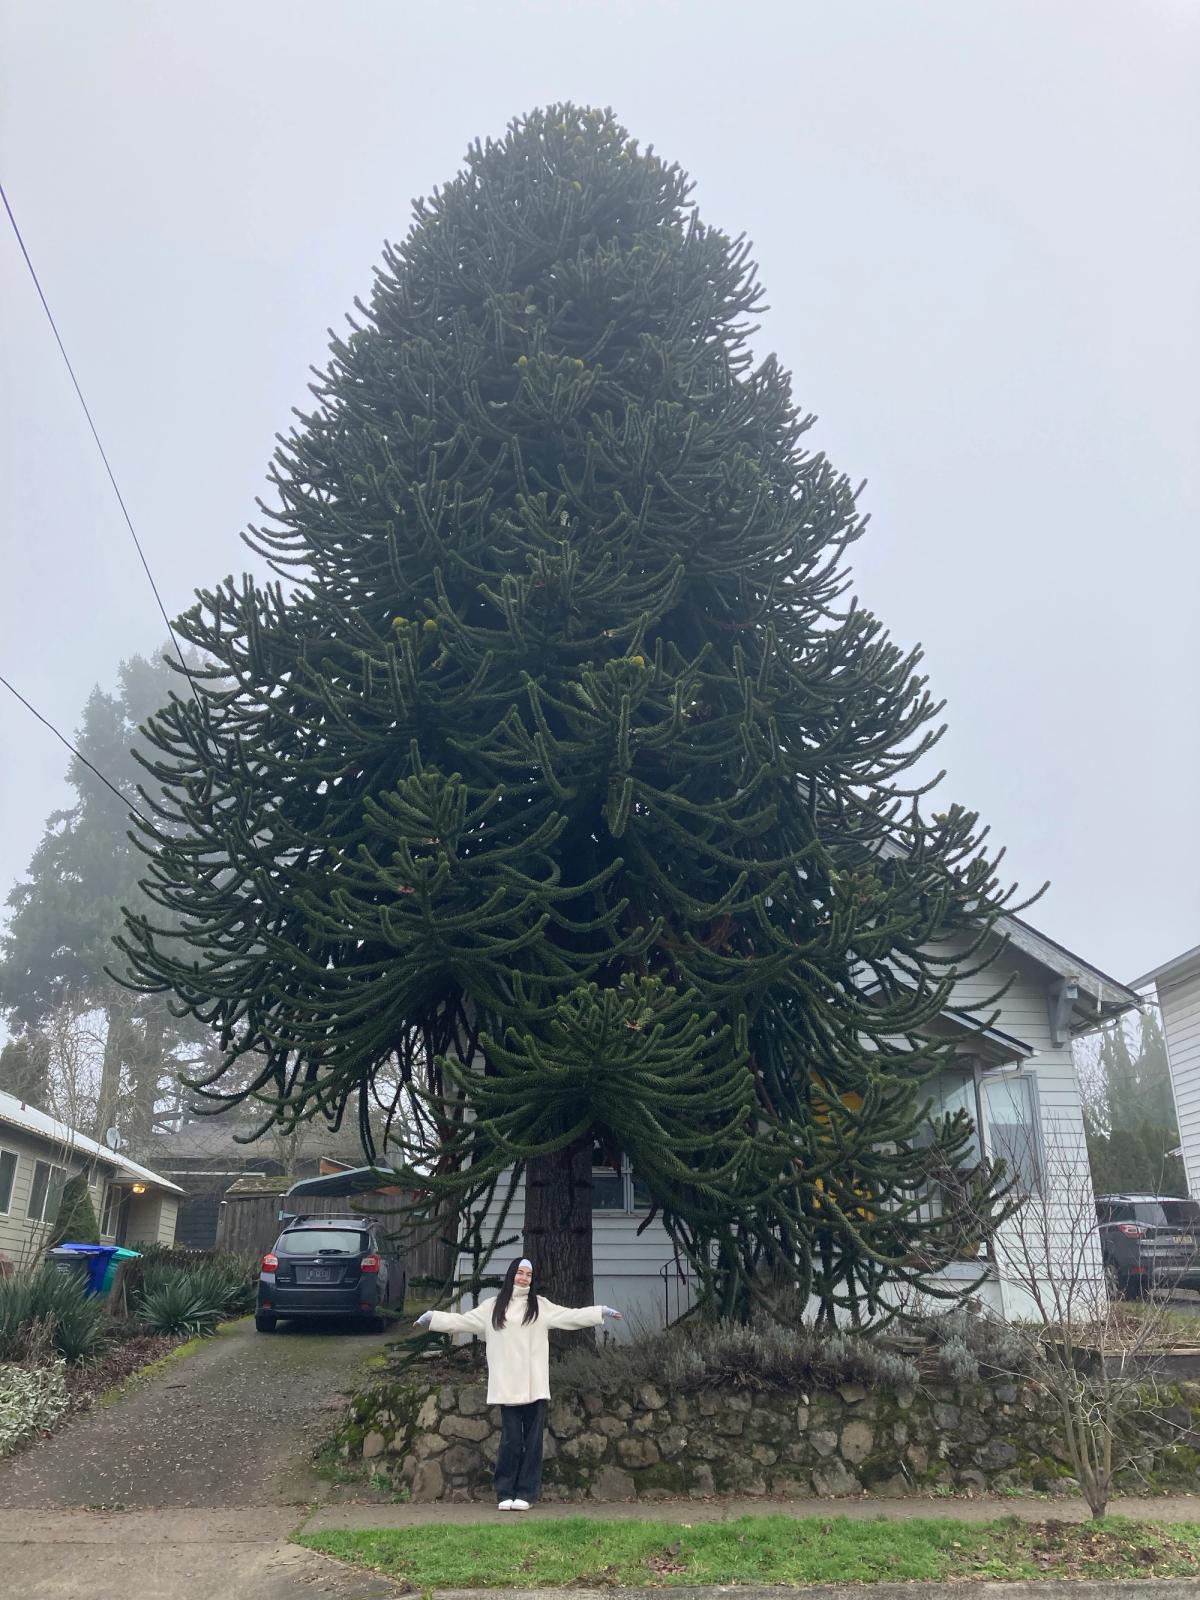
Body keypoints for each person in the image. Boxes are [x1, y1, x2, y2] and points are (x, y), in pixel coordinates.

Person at [415, 1257, 621, 1510]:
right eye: (520, 1273)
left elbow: (571, 1317)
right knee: (511, 1440)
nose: (523, 1278)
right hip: (507, 1386)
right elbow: (462, 1321)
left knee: (533, 1442)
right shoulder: (493, 1307)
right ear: (512, 1274)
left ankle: (526, 1493)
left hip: (534, 1386)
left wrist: (600, 1312)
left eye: (528, 1275)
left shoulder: (540, 1306)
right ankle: (505, 1492)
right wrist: (432, 1318)